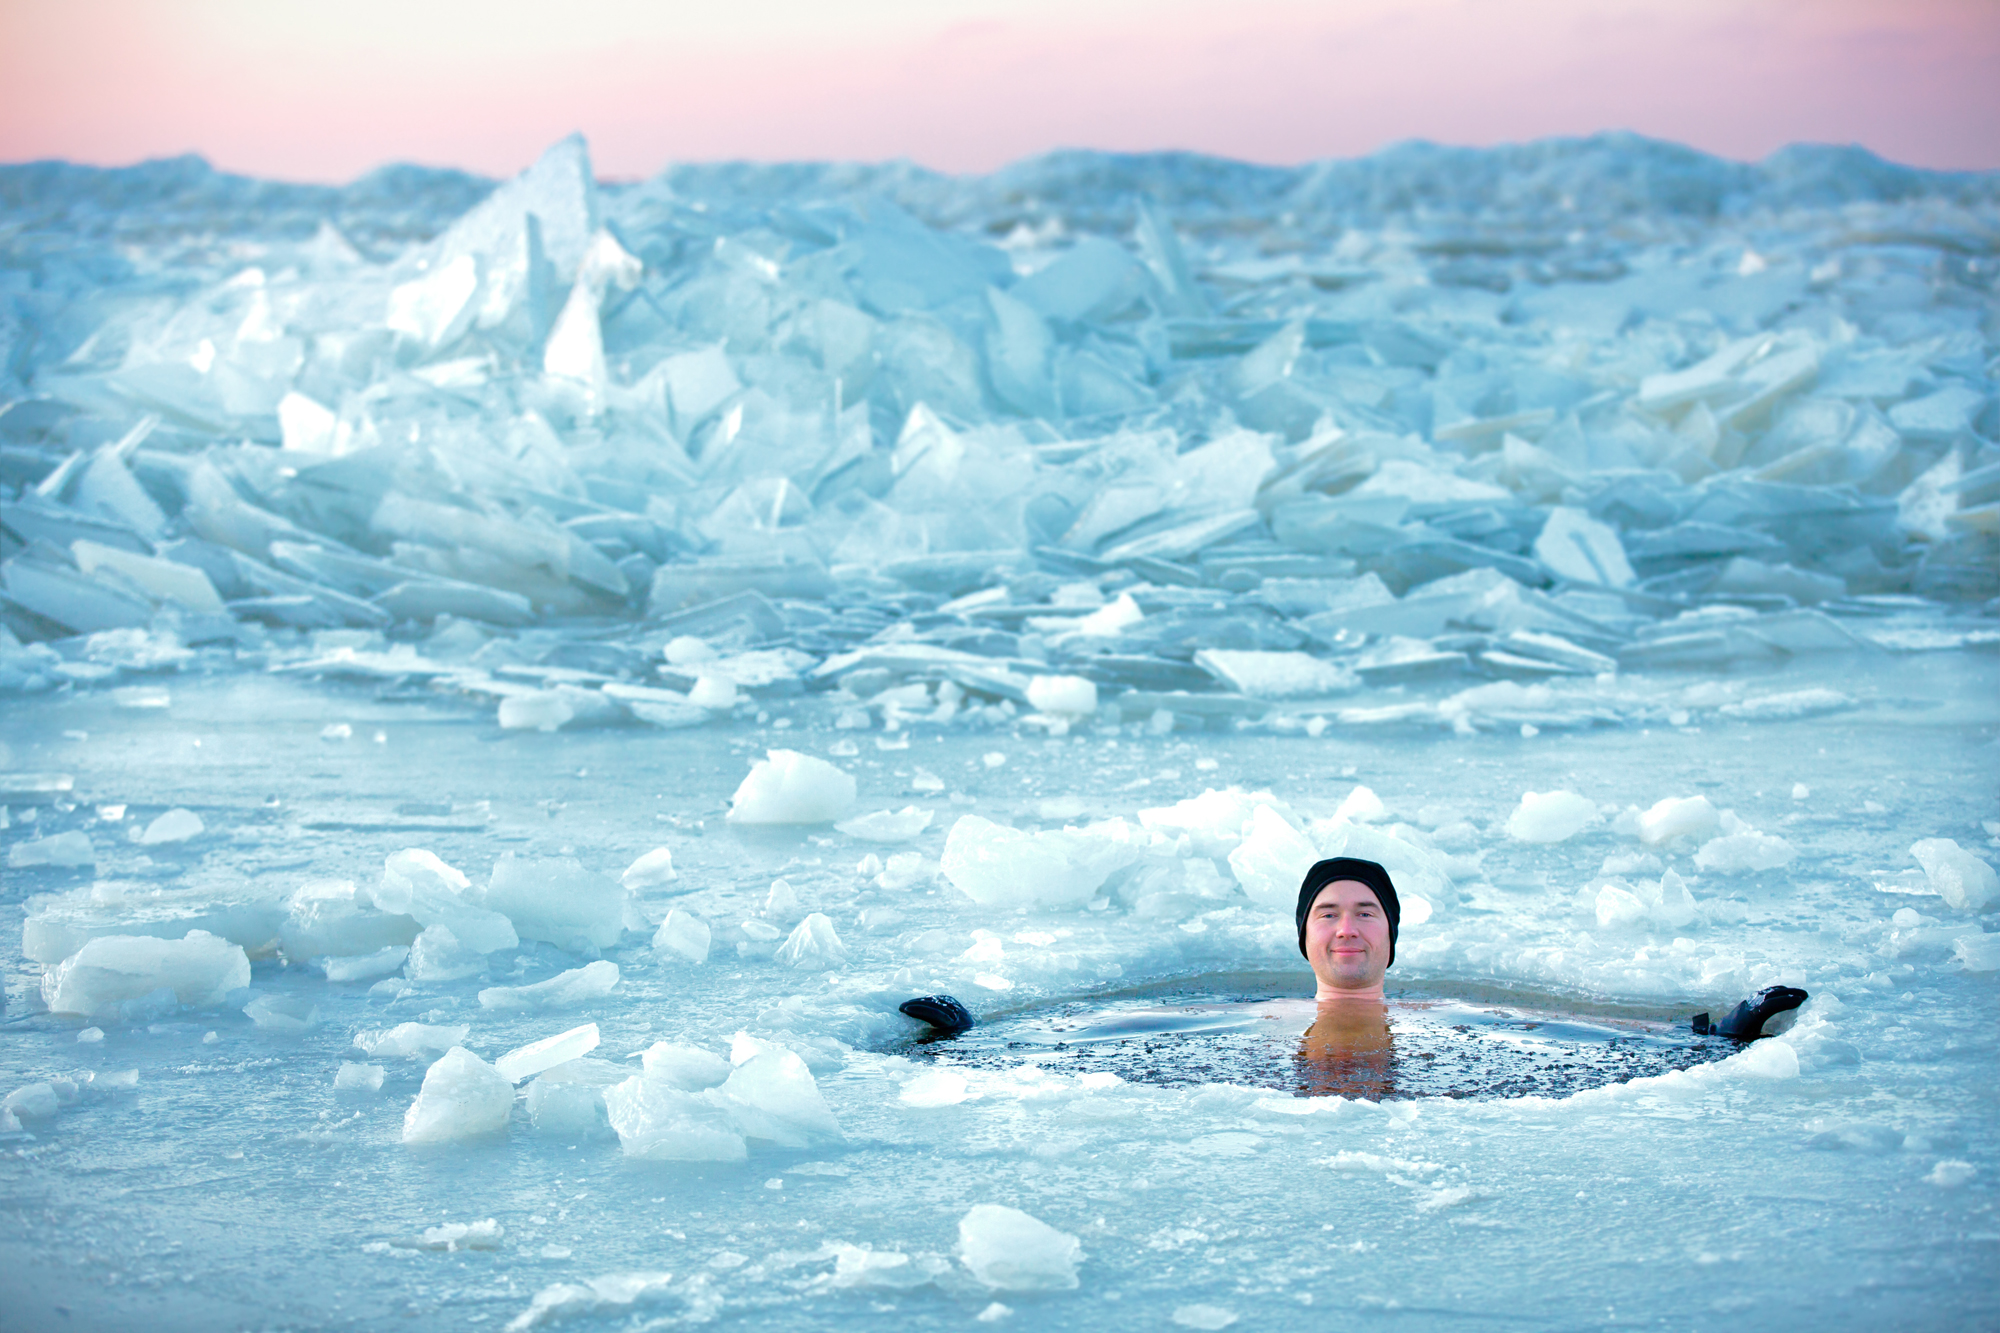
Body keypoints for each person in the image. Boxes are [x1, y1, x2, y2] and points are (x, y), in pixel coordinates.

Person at [1291, 857, 1400, 1098]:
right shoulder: (1268, 1023)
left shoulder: (1451, 1021)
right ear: (1304, 935)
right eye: (1329, 915)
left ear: (1390, 934)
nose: (1347, 930)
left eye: (1365, 914)